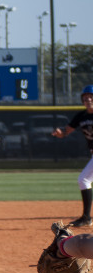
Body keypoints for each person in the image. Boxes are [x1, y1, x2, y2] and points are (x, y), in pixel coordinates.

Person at [50, 85, 93, 228]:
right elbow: (66, 132)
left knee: (84, 179)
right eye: (85, 97)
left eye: (91, 97)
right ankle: (86, 217)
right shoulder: (81, 116)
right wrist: (59, 133)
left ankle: (86, 217)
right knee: (84, 180)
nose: (88, 99)